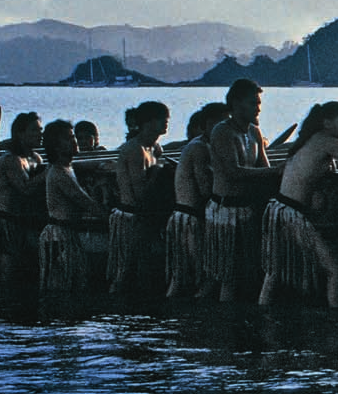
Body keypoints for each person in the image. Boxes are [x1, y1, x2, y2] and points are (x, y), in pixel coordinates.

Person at [259, 101, 338, 308]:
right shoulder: (328, 141)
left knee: (274, 273)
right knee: (335, 271)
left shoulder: (312, 140)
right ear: (326, 123)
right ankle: (336, 322)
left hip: (278, 209)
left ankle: (262, 312)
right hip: (291, 213)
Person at [206, 79, 272, 301]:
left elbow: (265, 169)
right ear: (235, 104)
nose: (258, 108)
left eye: (259, 103)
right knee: (228, 276)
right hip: (226, 212)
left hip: (247, 211)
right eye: (253, 103)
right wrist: (280, 171)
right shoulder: (222, 132)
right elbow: (233, 172)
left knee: (248, 272)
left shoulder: (254, 132)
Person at [109, 101, 170, 297]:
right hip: (131, 217)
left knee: (142, 271)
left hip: (144, 216)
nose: (166, 123)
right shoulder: (135, 149)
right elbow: (139, 192)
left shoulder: (153, 148)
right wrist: (158, 172)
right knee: (125, 271)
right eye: (162, 119)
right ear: (149, 122)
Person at [165, 103, 225, 299]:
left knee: (180, 277)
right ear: (208, 124)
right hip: (189, 219)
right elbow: (205, 188)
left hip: (183, 217)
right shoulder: (199, 148)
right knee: (204, 276)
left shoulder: (203, 145)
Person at [39, 119, 104, 294]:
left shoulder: (67, 168)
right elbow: (84, 202)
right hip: (59, 234)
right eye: (68, 138)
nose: (74, 141)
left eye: (73, 137)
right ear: (56, 146)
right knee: (60, 287)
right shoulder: (59, 172)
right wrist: (109, 216)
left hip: (67, 233)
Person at [0, 111, 46, 283]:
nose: (40, 134)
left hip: (22, 222)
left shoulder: (35, 158)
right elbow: (25, 188)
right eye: (34, 130)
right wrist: (52, 169)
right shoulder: (11, 160)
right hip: (4, 223)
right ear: (20, 134)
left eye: (41, 130)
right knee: (5, 271)